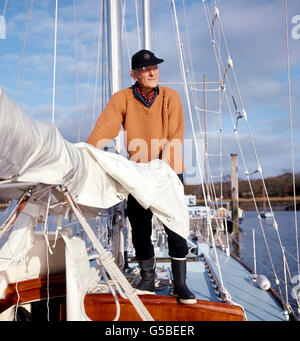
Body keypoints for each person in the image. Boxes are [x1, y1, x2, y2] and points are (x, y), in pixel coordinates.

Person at [86, 49, 196, 304]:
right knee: (139, 225)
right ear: (134, 74)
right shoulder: (122, 98)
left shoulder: (170, 97)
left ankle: (180, 283)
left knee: (175, 225)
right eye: (146, 70)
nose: (152, 72)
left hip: (169, 170)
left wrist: (161, 169)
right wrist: (87, 155)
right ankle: (147, 278)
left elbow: (175, 137)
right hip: (138, 172)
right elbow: (103, 131)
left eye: (155, 68)